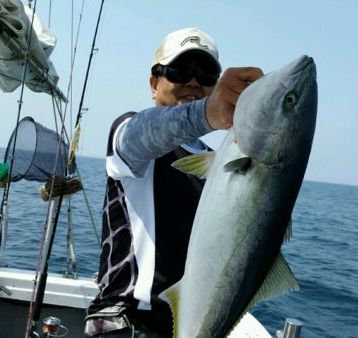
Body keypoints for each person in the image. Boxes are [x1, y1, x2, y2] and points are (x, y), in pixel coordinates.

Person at [84, 27, 263, 337]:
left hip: (191, 324)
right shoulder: (129, 135)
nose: (193, 81)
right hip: (128, 323)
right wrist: (207, 113)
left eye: (206, 74)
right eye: (178, 71)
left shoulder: (221, 162)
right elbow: (143, 132)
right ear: (154, 84)